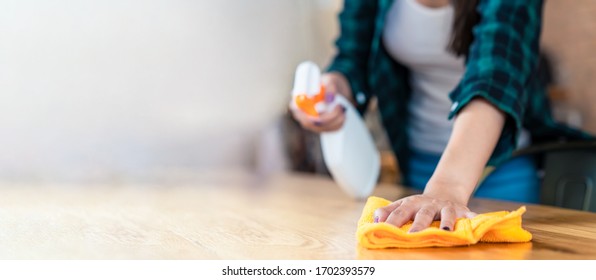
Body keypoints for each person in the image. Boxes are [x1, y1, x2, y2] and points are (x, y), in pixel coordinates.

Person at [290, 0, 592, 232]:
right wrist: (335, 89)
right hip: (416, 169)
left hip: (503, 169)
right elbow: (352, 59)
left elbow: (495, 77)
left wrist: (447, 189)